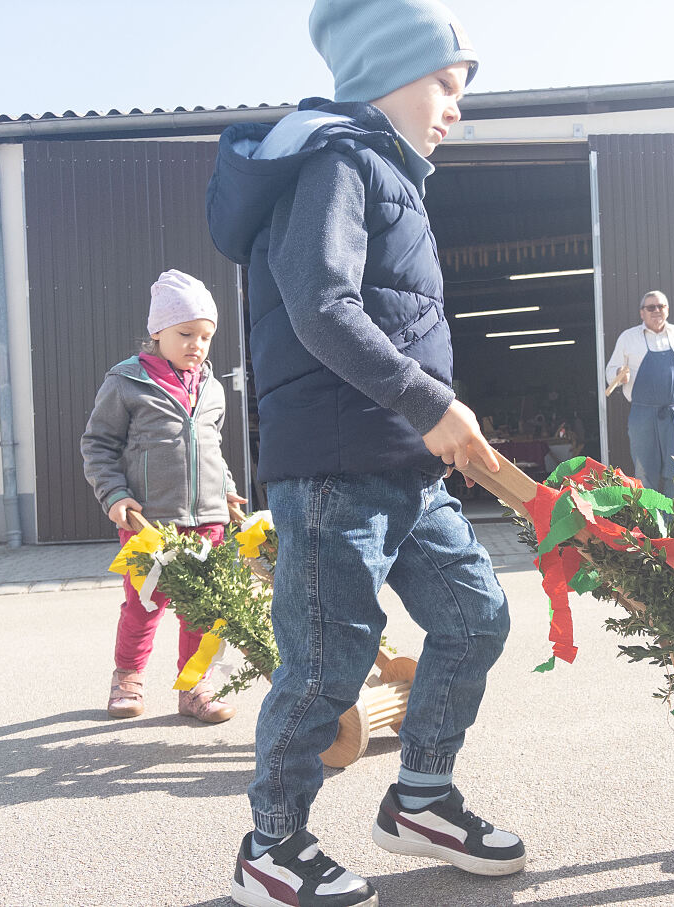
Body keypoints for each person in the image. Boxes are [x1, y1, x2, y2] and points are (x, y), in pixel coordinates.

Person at [206, 2, 523, 905]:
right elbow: (320, 305)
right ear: (389, 76)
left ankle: (421, 794)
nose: (456, 107)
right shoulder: (338, 161)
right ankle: (272, 845)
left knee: (475, 615)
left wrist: (434, 427)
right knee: (324, 668)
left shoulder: (390, 176)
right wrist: (433, 403)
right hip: (338, 473)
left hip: (406, 470)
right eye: (447, 86)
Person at [80, 269, 247, 724]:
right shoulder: (126, 382)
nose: (197, 344)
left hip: (208, 522)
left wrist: (228, 492)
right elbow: (98, 445)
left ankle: (194, 688)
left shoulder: (212, 388)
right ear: (158, 332)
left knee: (203, 611)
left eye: (206, 336)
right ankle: (127, 679)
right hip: (150, 523)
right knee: (144, 605)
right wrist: (114, 494)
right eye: (186, 333)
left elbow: (210, 450)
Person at [604, 290, 674, 496]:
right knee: (644, 474)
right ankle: (649, 527)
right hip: (643, 416)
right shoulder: (629, 338)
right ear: (642, 313)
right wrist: (618, 374)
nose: (656, 311)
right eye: (651, 307)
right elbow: (610, 370)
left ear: (667, 310)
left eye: (661, 306)